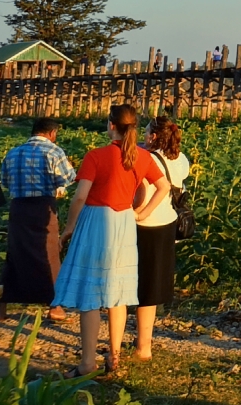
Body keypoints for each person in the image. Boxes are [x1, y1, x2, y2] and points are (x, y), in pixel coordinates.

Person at [52, 105, 163, 376]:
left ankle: (87, 363)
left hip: (95, 222)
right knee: (118, 293)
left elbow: (80, 197)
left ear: (111, 125)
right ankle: (114, 358)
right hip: (124, 222)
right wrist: (140, 212)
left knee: (90, 294)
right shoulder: (143, 157)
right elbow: (162, 187)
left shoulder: (96, 156)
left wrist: (68, 228)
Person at [0, 118, 76, 324]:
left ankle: (1, 309)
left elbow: (5, 181)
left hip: (19, 208)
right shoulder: (53, 152)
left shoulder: (13, 153)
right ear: (52, 133)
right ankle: (55, 306)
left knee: (15, 254)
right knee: (48, 254)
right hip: (43, 208)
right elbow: (67, 178)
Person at [133, 116, 190, 362]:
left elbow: (142, 193)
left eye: (145, 133)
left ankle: (140, 346)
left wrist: (136, 212)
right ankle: (144, 344)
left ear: (153, 137)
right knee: (152, 288)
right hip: (167, 223)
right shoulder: (181, 159)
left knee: (139, 288)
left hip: (145, 223)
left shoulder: (146, 158)